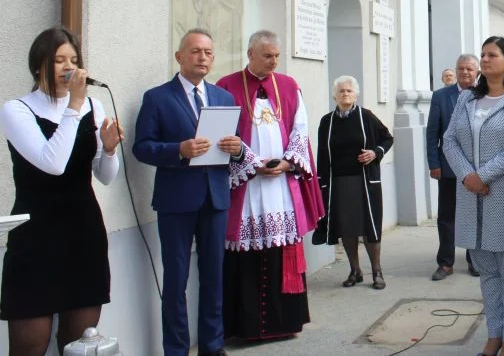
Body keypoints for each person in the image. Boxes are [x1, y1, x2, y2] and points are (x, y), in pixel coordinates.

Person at [0, 27, 123, 356]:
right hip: (35, 236)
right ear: (39, 64)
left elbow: (105, 176)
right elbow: (51, 163)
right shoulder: (16, 110)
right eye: (58, 60)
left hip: (83, 233)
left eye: (74, 59)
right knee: (29, 345)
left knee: (79, 343)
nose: (69, 67)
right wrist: (74, 105)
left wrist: (109, 151)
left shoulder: (92, 107)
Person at [134, 28, 245, 356]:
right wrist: (179, 150)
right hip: (176, 199)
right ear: (179, 56)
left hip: (215, 197)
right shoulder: (157, 98)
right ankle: (176, 349)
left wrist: (237, 148)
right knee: (176, 281)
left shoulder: (224, 98)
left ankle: (212, 346)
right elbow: (143, 148)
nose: (203, 57)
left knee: (213, 277)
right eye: (195, 51)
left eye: (208, 52)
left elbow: (234, 145)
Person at [215, 30, 325, 341]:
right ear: (250, 54)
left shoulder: (289, 86)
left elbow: (301, 130)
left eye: (276, 55)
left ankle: (284, 324)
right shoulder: (227, 86)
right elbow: (223, 135)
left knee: (280, 252)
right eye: (267, 56)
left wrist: (290, 162)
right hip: (247, 188)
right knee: (245, 259)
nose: (273, 61)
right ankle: (245, 328)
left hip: (280, 187)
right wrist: (252, 163)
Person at [441, 36, 504, 356]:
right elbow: (450, 140)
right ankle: (493, 334)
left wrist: (482, 176)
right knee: (487, 271)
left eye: (491, 54)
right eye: (482, 54)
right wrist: (469, 176)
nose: (484, 59)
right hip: (472, 198)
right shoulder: (467, 99)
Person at [314, 75, 393, 290]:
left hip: (365, 182)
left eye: (349, 90)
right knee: (346, 228)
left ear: (356, 94)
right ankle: (355, 270)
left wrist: (375, 153)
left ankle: (376, 272)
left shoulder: (366, 116)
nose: (345, 94)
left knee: (370, 227)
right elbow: (322, 154)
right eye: (341, 91)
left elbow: (387, 138)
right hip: (339, 183)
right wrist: (321, 184)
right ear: (335, 95)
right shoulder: (327, 122)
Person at [427, 54, 480, 280]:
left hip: (477, 169)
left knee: (474, 214)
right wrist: (434, 163)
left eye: (469, 69)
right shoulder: (441, 96)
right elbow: (432, 133)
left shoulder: (485, 94)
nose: (465, 72)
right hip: (448, 167)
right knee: (447, 216)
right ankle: (446, 263)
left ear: (477, 72)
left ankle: (474, 260)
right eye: (461, 68)